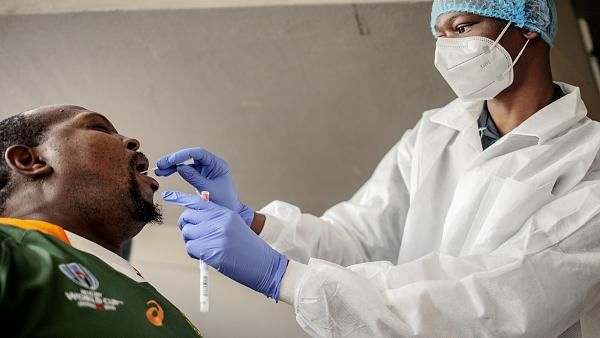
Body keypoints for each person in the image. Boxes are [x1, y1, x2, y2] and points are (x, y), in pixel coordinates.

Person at [159, 0, 600, 337]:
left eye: (462, 28)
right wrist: (252, 221)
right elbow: (358, 238)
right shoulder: (435, 132)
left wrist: (283, 277)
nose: (448, 49)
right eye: (440, 35)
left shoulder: (587, 162)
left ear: (527, 25)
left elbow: (492, 303)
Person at [0, 105, 202, 337]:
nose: (133, 141)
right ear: (29, 160)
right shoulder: (8, 251)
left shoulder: (166, 307)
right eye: (99, 127)